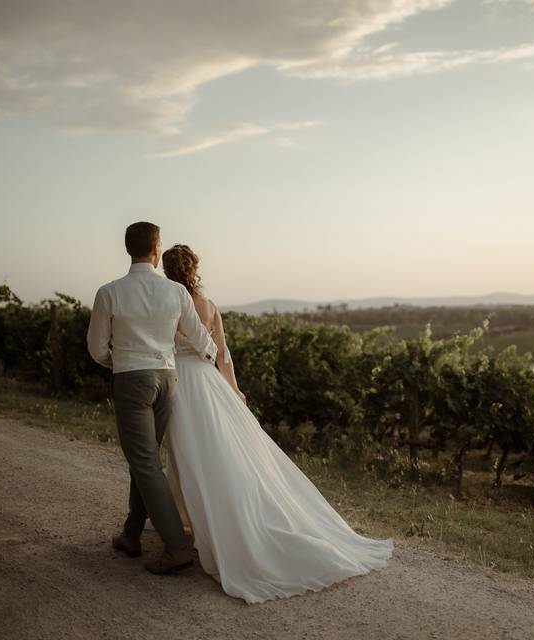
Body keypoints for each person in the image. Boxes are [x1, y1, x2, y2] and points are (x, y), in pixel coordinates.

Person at [159, 243, 393, 603]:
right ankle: (208, 521)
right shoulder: (208, 306)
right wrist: (235, 392)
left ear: (168, 271)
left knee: (190, 456)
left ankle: (202, 527)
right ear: (193, 268)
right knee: (219, 455)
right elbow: (223, 355)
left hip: (182, 385)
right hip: (210, 383)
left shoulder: (169, 303)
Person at [86, 222, 218, 574]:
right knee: (144, 459)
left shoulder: (109, 292)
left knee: (144, 461)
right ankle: (131, 534)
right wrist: (211, 363)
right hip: (168, 380)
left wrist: (122, 363)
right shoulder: (175, 292)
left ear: (129, 249)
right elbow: (203, 340)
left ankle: (177, 548)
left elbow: (96, 348)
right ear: (157, 249)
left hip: (133, 379)